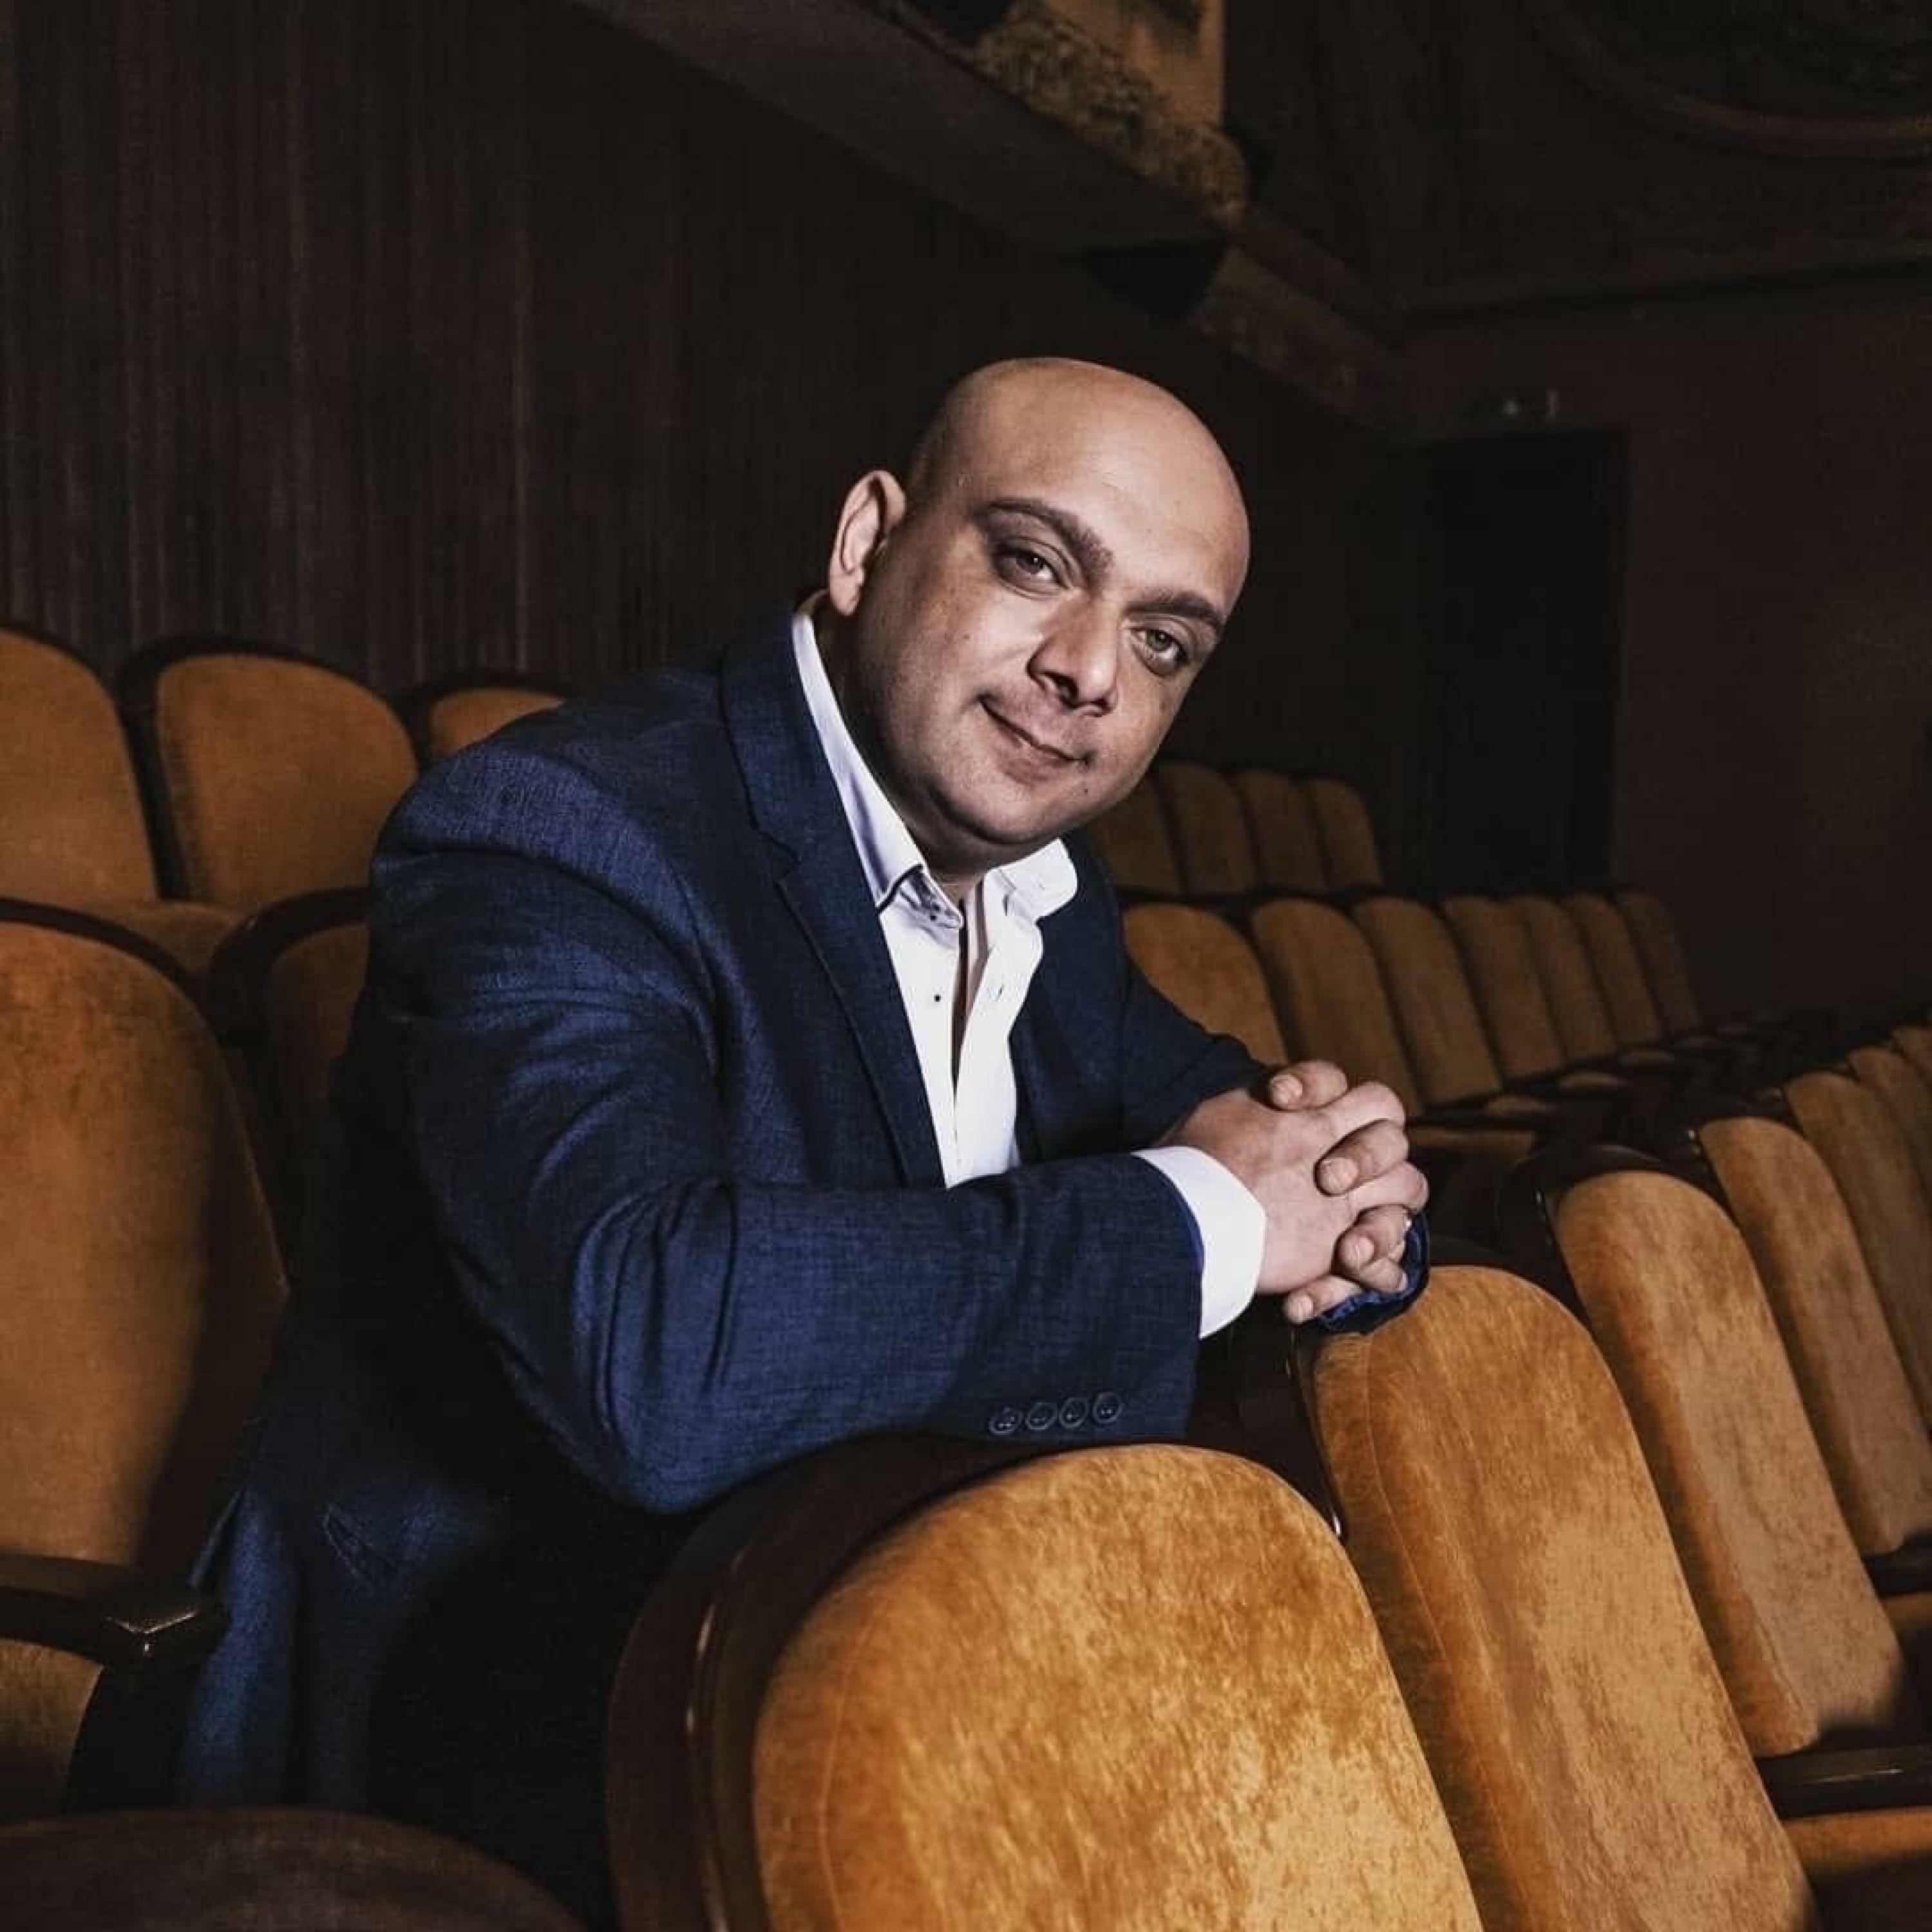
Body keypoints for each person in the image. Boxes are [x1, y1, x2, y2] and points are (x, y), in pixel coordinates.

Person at [175, 357, 1428, 1921]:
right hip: (490, 1757)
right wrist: (1215, 1226)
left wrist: (1349, 1193)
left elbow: (1236, 1124)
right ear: (864, 544)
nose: (1090, 670)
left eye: (1164, 641)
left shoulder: (1039, 883)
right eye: (1036, 563)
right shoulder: (560, 829)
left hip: (874, 1683)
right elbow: (655, 1354)